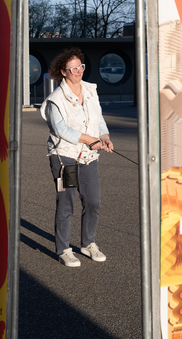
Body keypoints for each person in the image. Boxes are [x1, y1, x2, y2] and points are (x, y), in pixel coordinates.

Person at [40, 47, 114, 267]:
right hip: (65, 157)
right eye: (73, 69)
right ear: (63, 72)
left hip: (88, 156)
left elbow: (99, 119)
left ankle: (88, 243)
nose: (78, 71)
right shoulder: (55, 100)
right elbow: (61, 130)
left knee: (93, 201)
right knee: (67, 202)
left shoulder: (90, 91)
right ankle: (64, 249)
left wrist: (104, 137)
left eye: (80, 66)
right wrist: (89, 139)